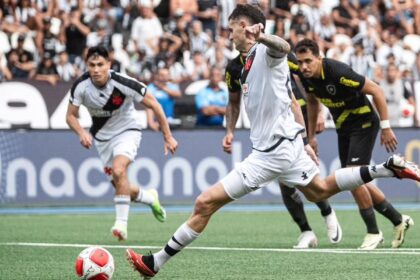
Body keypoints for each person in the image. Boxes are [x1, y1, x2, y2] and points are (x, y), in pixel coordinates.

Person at [125, 5, 420, 278]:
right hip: (287, 144)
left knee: (205, 202)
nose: (229, 35)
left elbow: (284, 47)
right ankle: (387, 168)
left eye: (232, 29)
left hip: (271, 153)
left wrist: (262, 36)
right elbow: (284, 100)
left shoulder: (266, 52)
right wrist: (304, 139)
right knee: (319, 191)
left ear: (246, 28)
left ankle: (155, 263)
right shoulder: (243, 64)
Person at [294, 38, 415, 250]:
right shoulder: (306, 77)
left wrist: (386, 127)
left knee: (351, 175)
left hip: (364, 121)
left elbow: (376, 90)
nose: (303, 66)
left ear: (319, 58)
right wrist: (311, 136)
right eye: (300, 62)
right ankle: (398, 220)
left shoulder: (337, 71)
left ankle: (373, 232)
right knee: (353, 179)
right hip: (344, 126)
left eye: (308, 61)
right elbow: (313, 103)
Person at [225, 50, 341, 248]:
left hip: (297, 115)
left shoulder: (275, 54)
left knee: (305, 178)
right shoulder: (234, 68)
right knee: (285, 181)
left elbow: (307, 77)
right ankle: (306, 231)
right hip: (273, 124)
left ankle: (327, 212)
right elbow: (233, 102)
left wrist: (318, 113)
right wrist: (229, 131)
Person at [66, 46, 178, 241]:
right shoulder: (80, 86)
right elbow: (70, 116)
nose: (96, 69)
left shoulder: (124, 83)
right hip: (102, 139)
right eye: (92, 65)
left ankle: (121, 225)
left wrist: (167, 136)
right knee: (120, 185)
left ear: (109, 64)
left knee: (119, 171)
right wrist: (81, 132)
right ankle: (150, 197)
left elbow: (155, 105)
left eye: (100, 64)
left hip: (128, 131)